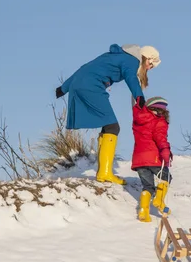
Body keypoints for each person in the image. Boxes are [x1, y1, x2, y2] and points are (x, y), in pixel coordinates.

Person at [56, 44, 161, 185]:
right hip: (91, 86)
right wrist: (139, 96)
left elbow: (85, 68)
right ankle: (105, 173)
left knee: (109, 126)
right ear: (146, 58)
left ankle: (103, 172)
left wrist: (63, 88)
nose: (149, 68)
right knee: (112, 127)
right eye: (150, 64)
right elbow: (131, 77)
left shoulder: (118, 56)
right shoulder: (132, 60)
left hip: (81, 83)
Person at [131, 96, 173, 222]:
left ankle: (143, 211)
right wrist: (165, 151)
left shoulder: (138, 121)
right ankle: (159, 200)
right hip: (153, 157)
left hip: (139, 160)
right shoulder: (159, 121)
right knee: (166, 177)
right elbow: (160, 138)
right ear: (161, 111)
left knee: (148, 187)